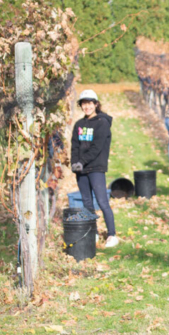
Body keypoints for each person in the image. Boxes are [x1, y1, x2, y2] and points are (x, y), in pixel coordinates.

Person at [70, 89, 118, 248]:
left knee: (102, 201)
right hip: (81, 169)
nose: (87, 106)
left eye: (90, 103)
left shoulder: (102, 123)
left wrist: (82, 161)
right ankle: (94, 232)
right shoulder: (79, 124)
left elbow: (97, 147)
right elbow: (74, 146)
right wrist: (75, 162)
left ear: (96, 104)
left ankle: (111, 234)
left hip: (96, 168)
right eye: (84, 104)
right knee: (87, 203)